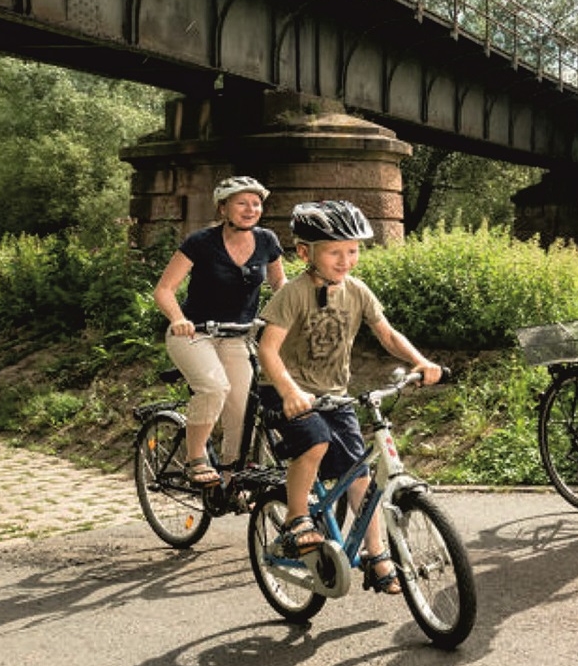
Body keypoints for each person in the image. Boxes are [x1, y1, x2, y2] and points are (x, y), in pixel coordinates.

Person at [258, 200, 442, 594]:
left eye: (353, 250)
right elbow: (267, 349)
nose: (346, 260)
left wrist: (421, 361)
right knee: (316, 441)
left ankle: (377, 557)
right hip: (285, 392)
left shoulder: (357, 292)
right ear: (306, 253)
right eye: (335, 251)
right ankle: (296, 518)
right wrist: (289, 390)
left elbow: (387, 335)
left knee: (359, 473)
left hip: (334, 394)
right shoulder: (293, 294)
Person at [150, 176, 287, 487]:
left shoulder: (267, 241)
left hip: (236, 336)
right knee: (214, 388)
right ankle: (194, 458)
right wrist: (177, 318)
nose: (251, 209)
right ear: (223, 208)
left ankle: (231, 478)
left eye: (256, 203)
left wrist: (288, 317)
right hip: (192, 333)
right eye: (242, 203)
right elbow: (164, 290)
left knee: (242, 410)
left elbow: (281, 287)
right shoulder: (200, 242)